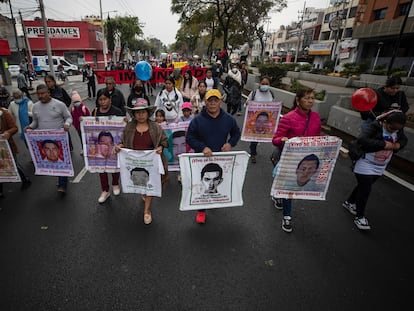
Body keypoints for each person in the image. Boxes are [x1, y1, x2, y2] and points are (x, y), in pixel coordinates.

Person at [343, 110, 407, 230]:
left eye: (396, 129)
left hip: (381, 165)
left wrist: (399, 145)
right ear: (385, 122)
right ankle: (360, 217)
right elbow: (362, 140)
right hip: (365, 162)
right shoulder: (374, 126)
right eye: (391, 128)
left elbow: (403, 140)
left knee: (363, 186)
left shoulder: (398, 128)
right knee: (365, 189)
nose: (393, 131)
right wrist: (383, 144)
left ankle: (349, 202)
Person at [186, 88, 241, 224]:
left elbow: (236, 133)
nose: (212, 104)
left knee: (218, 182)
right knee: (202, 184)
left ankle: (216, 200)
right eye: (210, 101)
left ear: (220, 102)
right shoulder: (197, 120)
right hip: (202, 158)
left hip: (221, 158)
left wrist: (230, 144)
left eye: (215, 101)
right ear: (205, 102)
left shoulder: (228, 119)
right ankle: (201, 210)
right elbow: (190, 137)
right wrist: (202, 147)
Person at [271, 88, 321, 233]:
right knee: (288, 187)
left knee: (291, 186)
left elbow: (317, 136)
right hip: (288, 158)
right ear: (298, 101)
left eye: (312, 98)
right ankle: (287, 216)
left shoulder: (316, 117)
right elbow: (276, 139)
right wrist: (283, 140)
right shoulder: (288, 118)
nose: (310, 101)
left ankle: (277, 194)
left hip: (307, 160)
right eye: (307, 98)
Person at [116, 98, 168, 225]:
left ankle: (147, 210)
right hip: (134, 163)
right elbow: (123, 141)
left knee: (151, 185)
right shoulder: (129, 127)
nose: (140, 115)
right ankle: (143, 193)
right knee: (140, 183)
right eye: (137, 113)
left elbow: (164, 141)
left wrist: (161, 147)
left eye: (143, 112)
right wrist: (119, 147)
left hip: (151, 163)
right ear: (133, 114)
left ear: (148, 113)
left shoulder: (155, 127)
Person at [24, 84, 72, 194]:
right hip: (44, 140)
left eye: (43, 93)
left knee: (61, 161)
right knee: (51, 160)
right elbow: (35, 121)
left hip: (59, 139)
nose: (40, 96)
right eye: (38, 94)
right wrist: (30, 127)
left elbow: (68, 117)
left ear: (48, 93)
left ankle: (62, 184)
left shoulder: (59, 104)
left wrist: (67, 124)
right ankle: (62, 178)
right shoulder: (35, 107)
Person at [91, 89, 124, 203]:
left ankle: (115, 184)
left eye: (105, 99)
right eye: (100, 99)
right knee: (102, 168)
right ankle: (105, 190)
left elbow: (123, 128)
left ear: (110, 99)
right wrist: (82, 121)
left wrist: (125, 121)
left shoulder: (117, 111)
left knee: (115, 165)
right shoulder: (95, 112)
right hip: (101, 146)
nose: (102, 102)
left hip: (114, 145)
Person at [0, 106, 31, 197]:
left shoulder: (4, 114)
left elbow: (14, 128)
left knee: (13, 163)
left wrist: (8, 133)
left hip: (6, 145)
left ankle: (25, 179)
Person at [245, 76, 275, 163]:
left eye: (267, 84)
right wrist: (247, 103)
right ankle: (253, 153)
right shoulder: (254, 93)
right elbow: (247, 102)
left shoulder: (271, 94)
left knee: (263, 135)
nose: (265, 85)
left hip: (266, 120)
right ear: (259, 84)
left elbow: (273, 106)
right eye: (263, 84)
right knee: (254, 138)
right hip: (256, 120)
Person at [70, 91, 91, 155]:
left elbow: (89, 116)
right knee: (81, 139)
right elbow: (73, 118)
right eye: (75, 102)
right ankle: (83, 149)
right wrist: (75, 126)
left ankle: (89, 149)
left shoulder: (84, 108)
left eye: (77, 101)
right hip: (78, 128)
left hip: (86, 127)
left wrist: (84, 119)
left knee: (87, 138)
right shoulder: (73, 109)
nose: (76, 103)